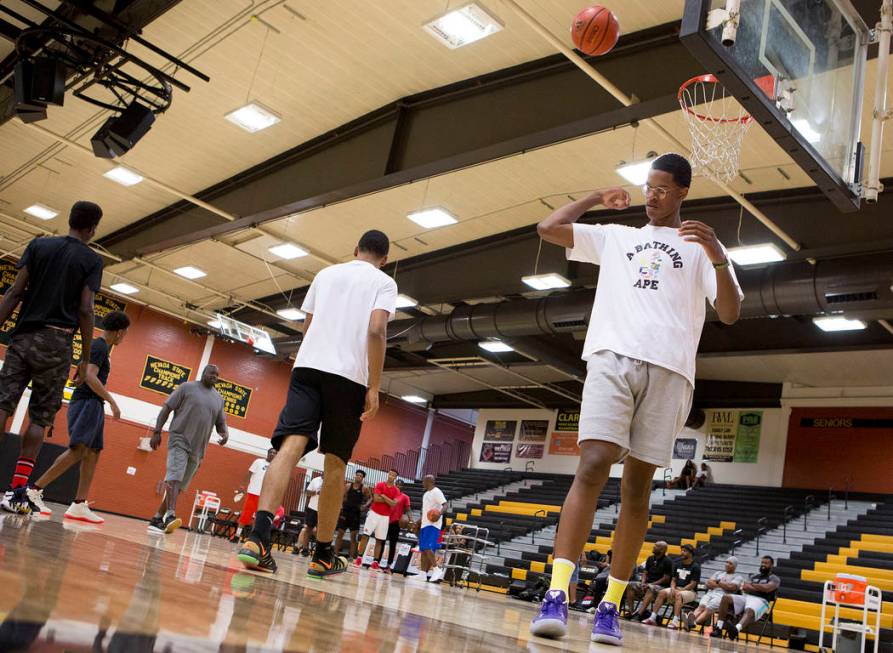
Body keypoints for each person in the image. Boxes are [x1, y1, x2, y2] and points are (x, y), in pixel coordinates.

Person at [528, 153, 742, 646]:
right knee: (594, 463)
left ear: (683, 193)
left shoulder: (697, 249)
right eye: (649, 187)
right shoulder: (617, 236)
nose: (652, 196)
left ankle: (610, 606)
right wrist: (595, 198)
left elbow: (729, 313)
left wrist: (719, 256)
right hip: (612, 357)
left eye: (663, 189)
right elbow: (548, 228)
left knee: (637, 488)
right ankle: (557, 593)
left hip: (670, 369)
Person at [237, 230, 396, 577]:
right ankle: (323, 554)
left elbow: (307, 325)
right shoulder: (384, 283)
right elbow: (376, 330)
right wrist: (375, 386)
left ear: (355, 249)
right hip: (349, 377)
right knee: (336, 462)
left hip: (307, 368)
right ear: (384, 259)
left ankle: (258, 538)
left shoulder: (325, 274)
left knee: (289, 448)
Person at [0, 201, 104, 514]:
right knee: (39, 419)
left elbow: (14, 293)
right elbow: (86, 309)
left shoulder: (39, 245)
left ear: (69, 219)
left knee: (3, 405)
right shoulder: (91, 259)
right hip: (58, 344)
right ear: (92, 228)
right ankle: (17, 492)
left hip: (23, 337)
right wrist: (85, 357)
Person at [27, 310, 131, 523]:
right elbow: (91, 377)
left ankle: (79, 504)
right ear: (120, 332)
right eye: (126, 333)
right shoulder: (101, 346)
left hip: (91, 403)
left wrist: (79, 378)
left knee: (93, 452)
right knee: (79, 450)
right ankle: (33, 491)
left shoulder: (98, 346)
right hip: (87, 402)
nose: (125, 337)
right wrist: (112, 401)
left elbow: (84, 371)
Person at [148, 364, 229, 534]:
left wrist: (224, 433)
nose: (215, 376)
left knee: (179, 486)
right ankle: (170, 515)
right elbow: (167, 408)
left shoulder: (219, 399)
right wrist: (157, 431)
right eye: (211, 373)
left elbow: (220, 422)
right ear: (203, 373)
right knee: (174, 477)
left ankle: (157, 518)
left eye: (217, 374)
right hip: (179, 438)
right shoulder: (187, 387)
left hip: (199, 448)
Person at [713, 556, 780, 641]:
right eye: (762, 562)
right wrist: (759, 587)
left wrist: (752, 585)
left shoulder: (774, 578)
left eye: (766, 563)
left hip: (762, 601)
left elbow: (767, 588)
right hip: (747, 597)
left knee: (750, 609)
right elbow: (744, 587)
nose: (763, 564)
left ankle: (736, 630)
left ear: (771, 565)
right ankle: (718, 628)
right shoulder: (754, 576)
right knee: (726, 598)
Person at [645, 543, 701, 628]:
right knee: (662, 592)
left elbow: (693, 584)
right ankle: (652, 618)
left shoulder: (695, 567)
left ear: (691, 553)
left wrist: (680, 590)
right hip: (677, 588)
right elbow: (673, 580)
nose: (682, 552)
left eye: (685, 551)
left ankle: (675, 622)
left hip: (690, 592)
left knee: (678, 595)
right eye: (681, 550)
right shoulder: (677, 564)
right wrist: (672, 588)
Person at [355, 468, 401, 571]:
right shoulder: (380, 484)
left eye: (393, 475)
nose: (391, 476)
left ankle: (375, 562)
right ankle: (359, 558)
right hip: (374, 513)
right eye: (390, 474)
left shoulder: (396, 490)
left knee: (379, 540)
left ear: (395, 477)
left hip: (385, 517)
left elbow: (394, 504)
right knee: (365, 535)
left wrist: (383, 496)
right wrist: (388, 500)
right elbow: (376, 499)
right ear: (388, 474)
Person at [686, 556, 744, 631]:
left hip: (722, 596)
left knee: (708, 609)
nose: (727, 564)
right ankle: (690, 622)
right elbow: (708, 583)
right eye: (726, 562)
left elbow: (731, 587)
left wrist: (717, 582)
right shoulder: (718, 573)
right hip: (710, 593)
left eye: (730, 563)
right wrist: (723, 584)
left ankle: (692, 623)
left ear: (735, 566)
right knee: (701, 606)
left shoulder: (738, 577)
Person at [233, 448, 277, 542]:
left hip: (264, 497)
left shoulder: (275, 467)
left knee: (259, 519)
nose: (272, 454)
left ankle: (252, 539)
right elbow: (249, 474)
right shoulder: (258, 462)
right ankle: (237, 536)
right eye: (271, 452)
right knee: (245, 515)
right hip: (253, 493)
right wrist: (242, 486)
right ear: (268, 453)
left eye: (274, 453)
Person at [624, 541, 673, 621]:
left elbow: (666, 578)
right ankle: (632, 612)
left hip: (661, 587)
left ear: (662, 550)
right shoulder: (650, 558)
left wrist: (650, 584)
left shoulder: (668, 561)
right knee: (630, 584)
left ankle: (639, 614)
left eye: (656, 546)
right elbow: (645, 573)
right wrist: (643, 582)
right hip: (647, 584)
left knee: (651, 588)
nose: (653, 547)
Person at [416, 474, 447, 583]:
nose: (422, 483)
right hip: (425, 524)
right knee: (424, 549)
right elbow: (425, 511)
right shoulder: (425, 494)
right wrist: (418, 522)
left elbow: (445, 505)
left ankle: (437, 569)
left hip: (433, 525)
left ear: (429, 481)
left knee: (428, 548)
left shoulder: (437, 491)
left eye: (424, 481)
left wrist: (439, 513)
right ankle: (423, 574)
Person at [335, 470, 371, 558]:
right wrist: (340, 506)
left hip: (356, 514)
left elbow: (370, 498)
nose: (358, 477)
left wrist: (365, 505)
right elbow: (341, 497)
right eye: (357, 475)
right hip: (345, 513)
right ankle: (335, 554)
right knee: (340, 535)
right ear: (354, 476)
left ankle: (351, 557)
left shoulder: (364, 488)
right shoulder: (348, 486)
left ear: (363, 478)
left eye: (360, 476)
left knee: (353, 537)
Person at [384, 479, 411, 573]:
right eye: (397, 484)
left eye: (400, 485)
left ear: (402, 486)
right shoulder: (389, 494)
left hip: (395, 522)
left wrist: (411, 520)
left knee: (392, 544)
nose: (398, 486)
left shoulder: (405, 497)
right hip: (384, 519)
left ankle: (388, 566)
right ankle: (376, 562)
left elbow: (408, 510)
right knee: (381, 542)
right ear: (395, 485)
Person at [296, 473, 324, 556]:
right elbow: (307, 492)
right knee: (308, 529)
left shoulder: (331, 482)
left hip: (323, 510)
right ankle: (305, 549)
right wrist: (316, 492)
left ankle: (319, 551)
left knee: (320, 531)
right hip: (312, 508)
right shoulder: (315, 480)